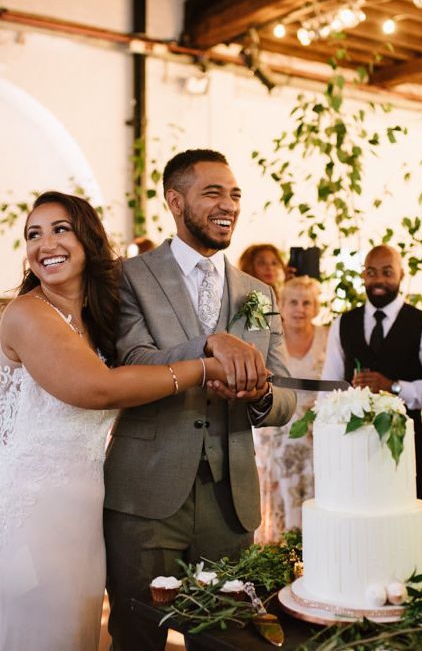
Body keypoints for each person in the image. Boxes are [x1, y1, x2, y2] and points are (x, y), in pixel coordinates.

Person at [0, 191, 232, 651]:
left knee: (78, 634)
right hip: (33, 516)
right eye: (33, 234)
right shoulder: (25, 313)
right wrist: (203, 365)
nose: (45, 243)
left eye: (60, 229)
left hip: (84, 518)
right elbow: (98, 389)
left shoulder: (94, 322)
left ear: (87, 240)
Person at [104, 149, 296, 651]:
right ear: (175, 200)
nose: (228, 204)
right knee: (138, 634)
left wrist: (260, 394)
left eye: (234, 194)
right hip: (148, 495)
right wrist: (209, 346)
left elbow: (287, 396)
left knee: (227, 639)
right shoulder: (129, 276)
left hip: (230, 503)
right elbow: (132, 362)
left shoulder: (259, 292)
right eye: (212, 192)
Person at [322, 244, 422, 500]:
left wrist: (394, 387)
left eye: (387, 272)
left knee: (400, 524)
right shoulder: (343, 324)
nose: (379, 280)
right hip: (352, 445)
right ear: (363, 275)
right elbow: (329, 386)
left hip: (405, 443)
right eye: (371, 272)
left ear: (401, 274)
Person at [254, 276, 327, 543]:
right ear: (281, 306)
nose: (300, 309)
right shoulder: (271, 339)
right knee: (278, 495)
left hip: (315, 431)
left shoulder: (328, 336)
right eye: (293, 302)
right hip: (277, 429)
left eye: (307, 302)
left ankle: (315, 547)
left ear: (316, 307)